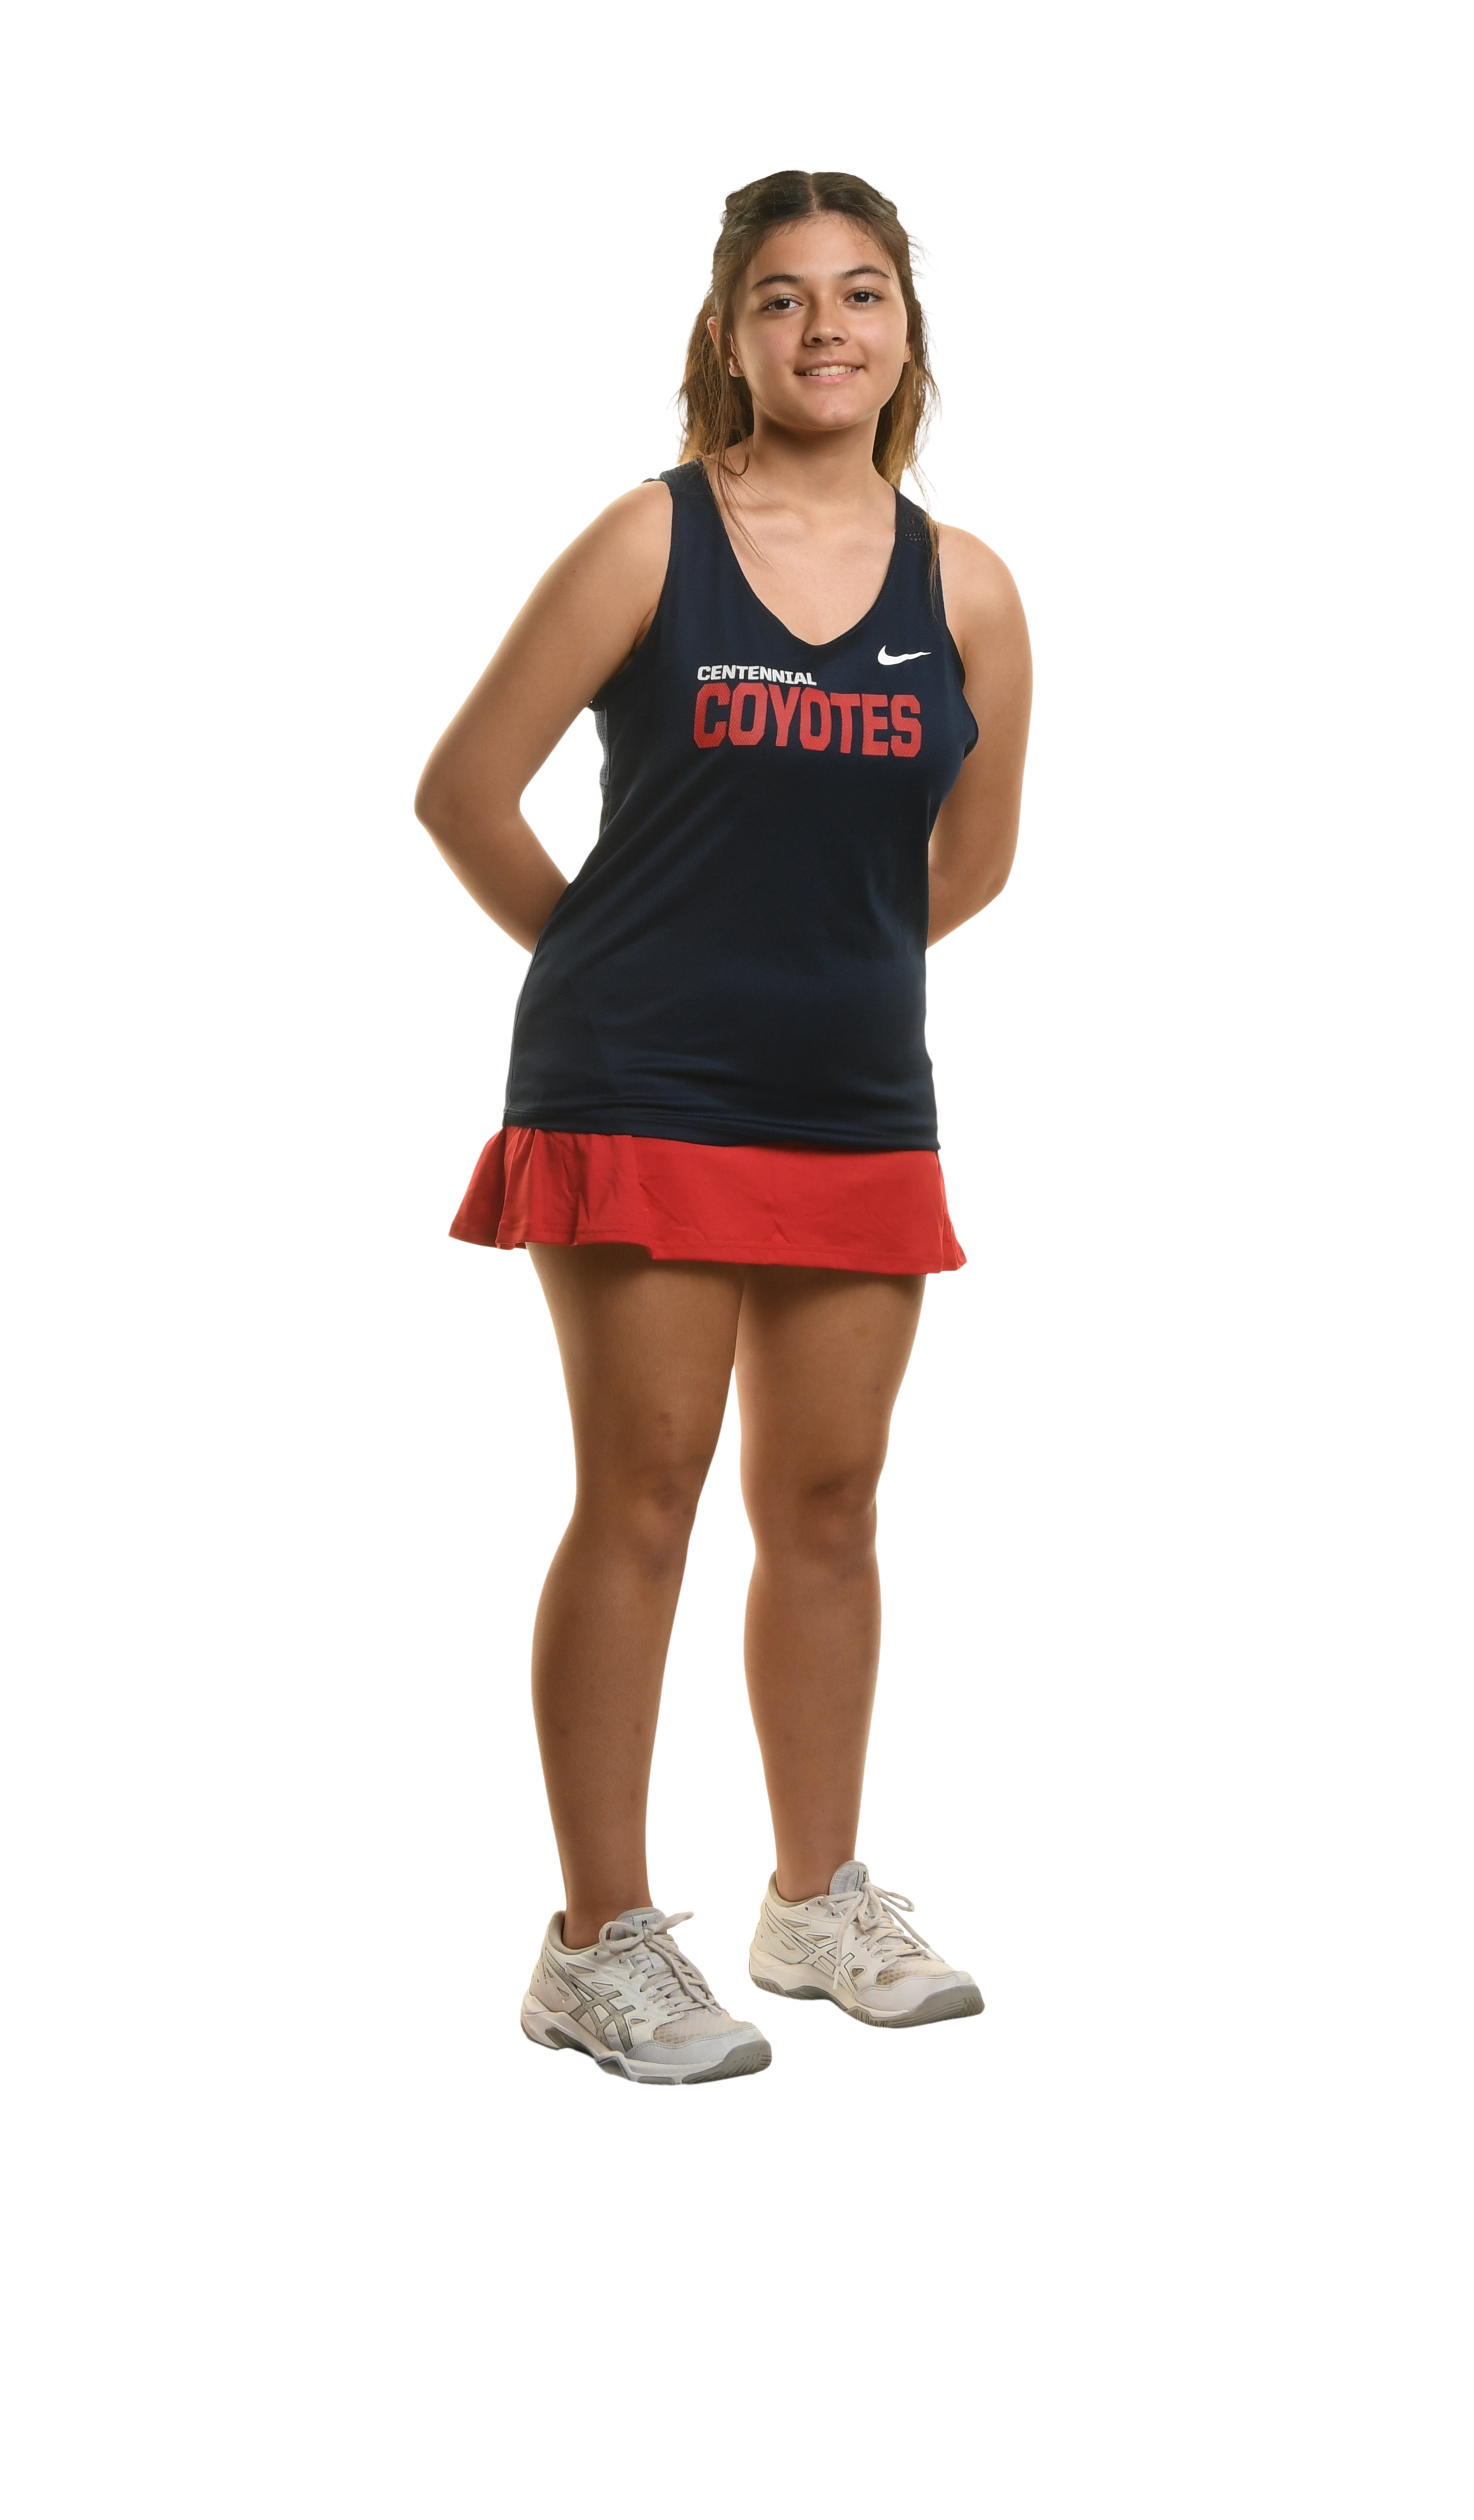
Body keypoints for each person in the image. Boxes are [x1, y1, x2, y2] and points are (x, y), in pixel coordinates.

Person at [415, 166, 1034, 2083]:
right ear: (726, 338)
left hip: (856, 1100)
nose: (824, 326)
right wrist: (631, 974)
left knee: (829, 1503)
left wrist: (801, 969)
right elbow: (465, 792)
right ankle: (597, 1945)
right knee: (648, 1493)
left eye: (861, 293)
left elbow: (969, 869)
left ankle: (816, 1900)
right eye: (783, 297)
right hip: (639, 1088)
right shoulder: (649, 540)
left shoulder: (969, 589)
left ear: (909, 334)